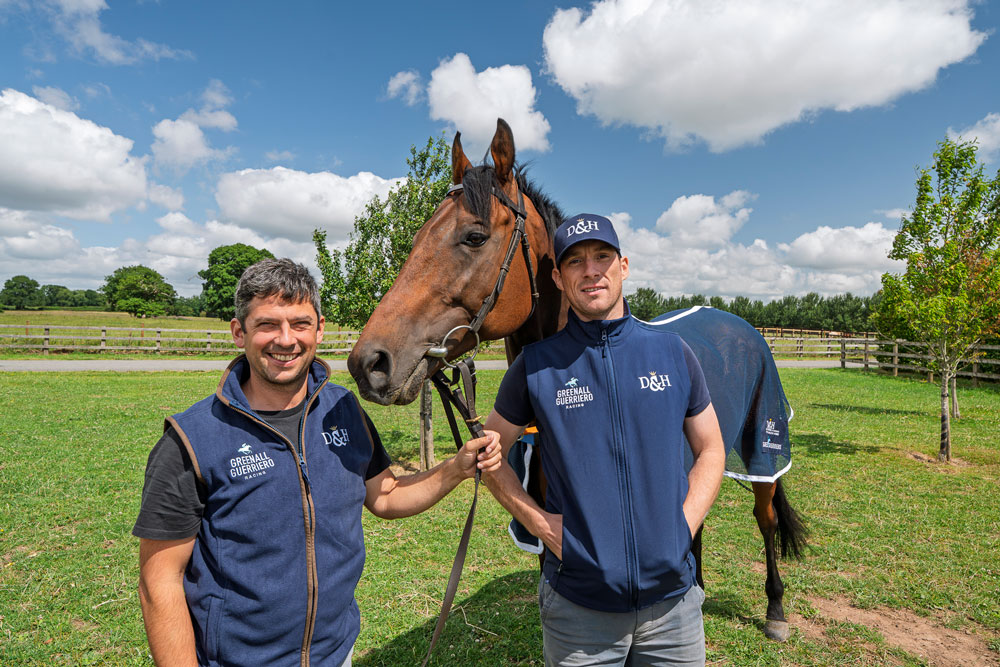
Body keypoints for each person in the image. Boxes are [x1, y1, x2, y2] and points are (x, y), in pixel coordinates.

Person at [133, 258, 501, 667]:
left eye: (300, 324)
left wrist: (456, 468)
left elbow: (386, 496)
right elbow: (159, 580)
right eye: (267, 324)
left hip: (335, 654)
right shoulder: (192, 438)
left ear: (319, 329)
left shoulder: (342, 409)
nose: (285, 340)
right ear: (239, 332)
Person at [483, 214, 726, 666]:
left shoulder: (673, 353)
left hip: (673, 612)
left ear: (624, 266)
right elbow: (488, 454)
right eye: (574, 261)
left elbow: (711, 447)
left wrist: (685, 525)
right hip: (579, 614)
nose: (591, 270)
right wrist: (540, 524)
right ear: (558, 278)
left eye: (602, 257)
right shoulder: (535, 366)